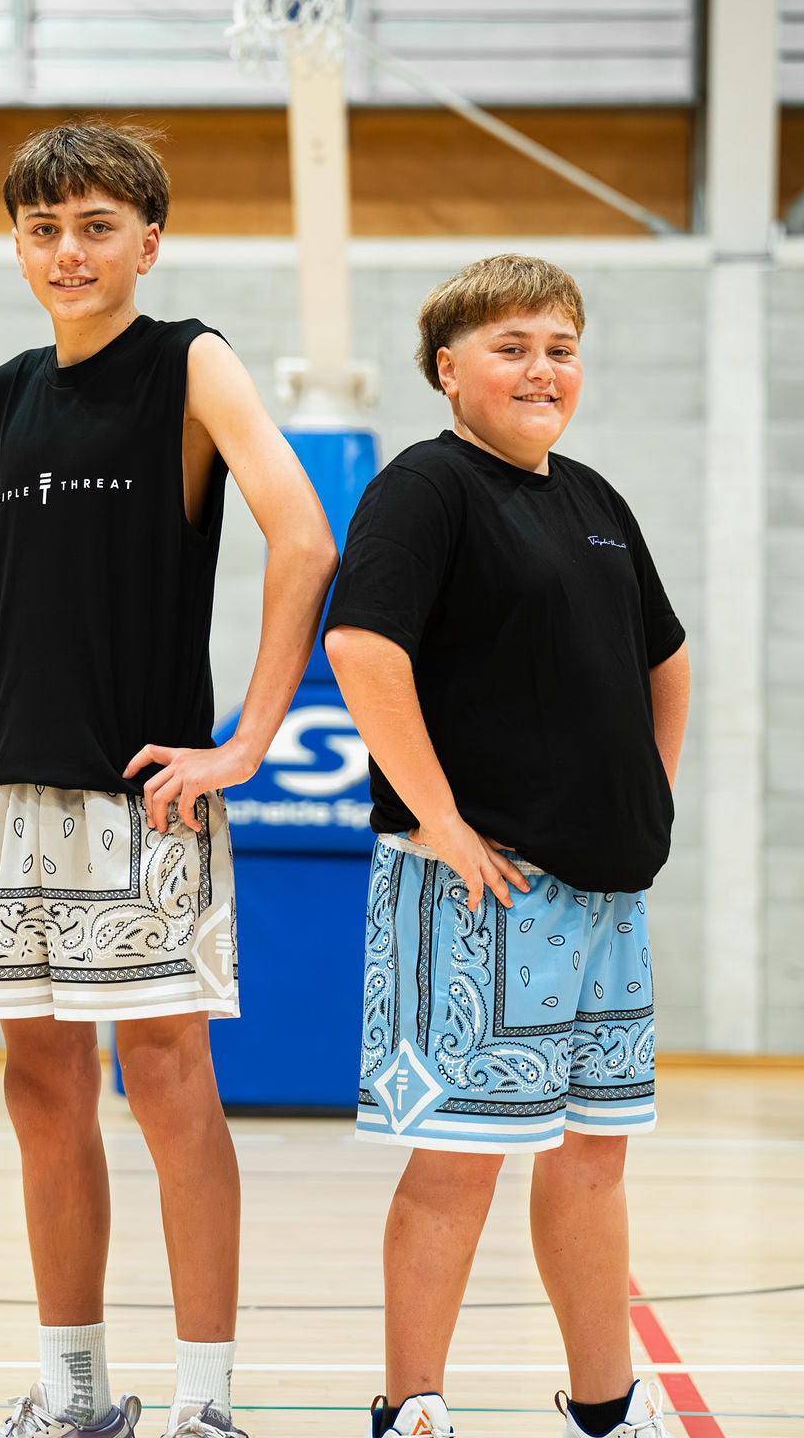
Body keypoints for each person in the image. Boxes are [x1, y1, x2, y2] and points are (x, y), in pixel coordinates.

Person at [0, 121, 338, 1438]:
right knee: (38, 1090)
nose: (69, 250)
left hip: (146, 802)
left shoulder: (191, 362)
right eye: (44, 229)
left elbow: (304, 536)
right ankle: (73, 1395)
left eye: (97, 225)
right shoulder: (5, 394)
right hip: (18, 812)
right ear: (16, 244)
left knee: (168, 1085)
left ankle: (206, 1406)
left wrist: (249, 736)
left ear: (147, 242)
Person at [323, 254, 690, 1438]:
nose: (542, 369)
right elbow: (363, 651)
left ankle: (605, 1408)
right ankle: (412, 1406)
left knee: (591, 1159)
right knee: (458, 1161)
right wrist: (437, 820)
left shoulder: (592, 500)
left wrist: (646, 795)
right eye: (511, 346)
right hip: (475, 893)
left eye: (560, 347)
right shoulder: (425, 489)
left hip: (601, 894)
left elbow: (665, 661)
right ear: (447, 368)